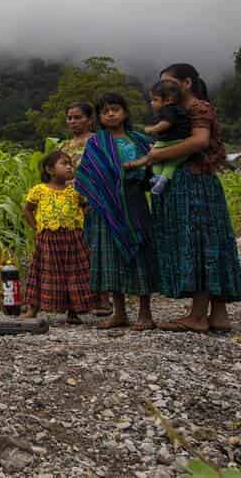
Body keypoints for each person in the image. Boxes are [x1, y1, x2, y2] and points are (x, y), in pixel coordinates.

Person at [125, 64, 240, 333]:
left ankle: (198, 316)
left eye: (169, 83)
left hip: (191, 181)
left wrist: (156, 156)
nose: (165, 89)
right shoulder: (181, 112)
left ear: (186, 83)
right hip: (197, 181)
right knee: (211, 241)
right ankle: (218, 314)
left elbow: (199, 141)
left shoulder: (196, 109)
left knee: (197, 242)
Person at [74, 93, 159, 330]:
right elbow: (88, 175)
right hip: (104, 207)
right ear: (99, 118)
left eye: (115, 109)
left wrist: (143, 173)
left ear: (126, 113)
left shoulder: (139, 141)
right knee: (110, 256)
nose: (110, 114)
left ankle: (145, 312)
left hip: (134, 203)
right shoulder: (96, 143)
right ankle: (119, 311)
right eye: (105, 111)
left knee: (140, 253)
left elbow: (153, 169)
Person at [22, 151, 94, 323]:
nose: (69, 166)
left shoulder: (75, 190)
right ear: (50, 169)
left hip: (73, 239)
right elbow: (27, 209)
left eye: (70, 163)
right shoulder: (39, 190)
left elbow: (87, 206)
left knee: (75, 274)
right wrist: (37, 228)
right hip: (48, 239)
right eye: (64, 163)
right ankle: (33, 309)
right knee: (42, 273)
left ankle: (74, 312)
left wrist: (79, 220)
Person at [59, 102, 112, 316]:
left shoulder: (98, 141)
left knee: (96, 247)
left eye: (77, 117)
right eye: (70, 118)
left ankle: (103, 298)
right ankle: (80, 299)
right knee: (76, 250)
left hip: (93, 200)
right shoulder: (64, 147)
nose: (73, 121)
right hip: (70, 203)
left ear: (90, 120)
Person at [143, 79, 191, 195]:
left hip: (168, 141)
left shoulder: (168, 109)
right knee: (171, 163)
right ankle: (163, 179)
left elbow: (166, 124)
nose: (151, 103)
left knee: (154, 157)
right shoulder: (180, 109)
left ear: (168, 100)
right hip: (181, 141)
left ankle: (157, 176)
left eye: (155, 100)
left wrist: (152, 129)